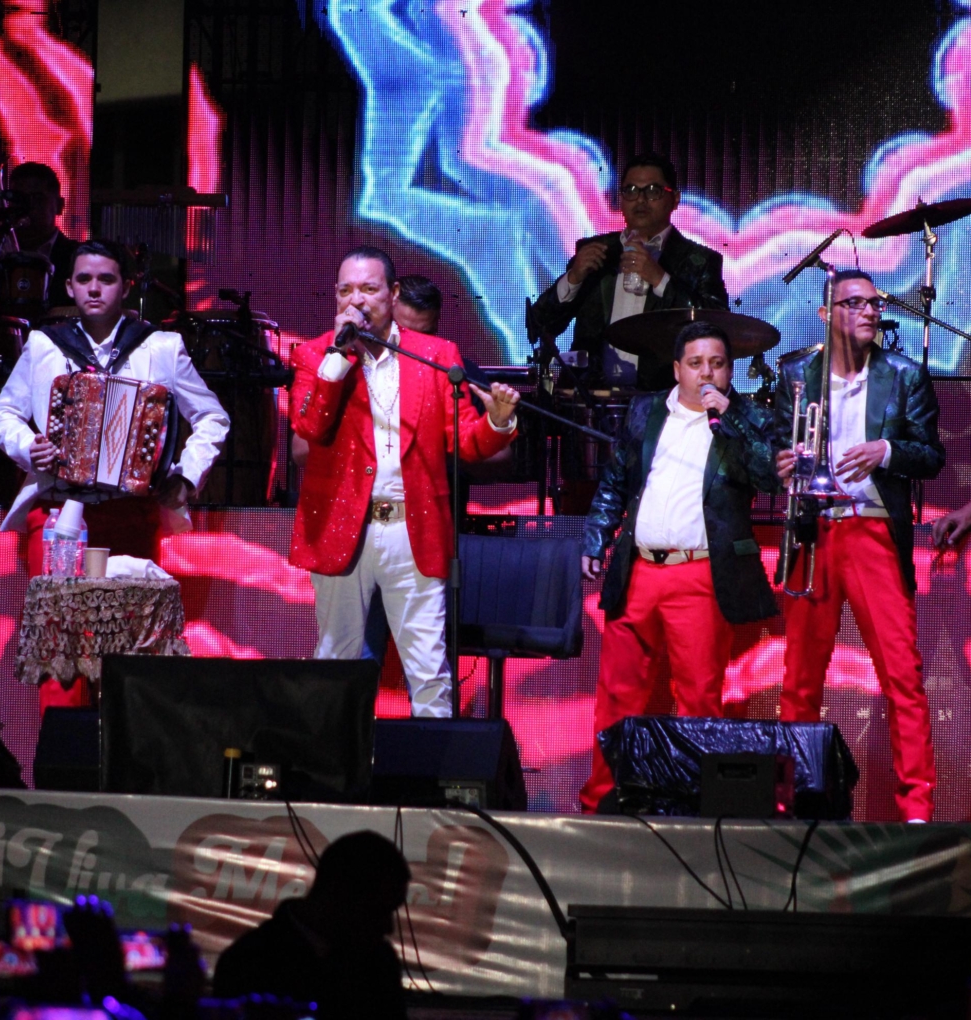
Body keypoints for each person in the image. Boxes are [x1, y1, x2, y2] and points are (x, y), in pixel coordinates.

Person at [0, 239, 229, 712]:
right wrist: (27, 447)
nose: (94, 289)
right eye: (84, 279)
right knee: (60, 649)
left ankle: (120, 752)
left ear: (126, 286)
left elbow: (212, 417)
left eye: (106, 279)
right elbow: (2, 414)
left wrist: (186, 477)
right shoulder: (44, 345)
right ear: (69, 287)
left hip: (129, 513)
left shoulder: (160, 346)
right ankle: (62, 749)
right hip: (57, 513)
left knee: (129, 647)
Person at [290, 247, 519, 717]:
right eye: (346, 291)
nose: (356, 301)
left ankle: (433, 765)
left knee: (429, 670)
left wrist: (497, 422)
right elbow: (309, 426)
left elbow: (464, 442)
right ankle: (334, 761)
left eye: (368, 289)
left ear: (392, 294)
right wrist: (338, 357)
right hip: (342, 526)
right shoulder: (314, 354)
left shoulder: (436, 355)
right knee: (335, 662)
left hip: (412, 528)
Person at [577, 321, 780, 811]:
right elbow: (616, 479)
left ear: (730, 371)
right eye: (695, 363)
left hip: (700, 574)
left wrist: (731, 419)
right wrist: (597, 536)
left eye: (717, 364)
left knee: (698, 699)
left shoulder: (749, 417)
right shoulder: (646, 411)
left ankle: (694, 809)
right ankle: (601, 803)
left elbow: (770, 475)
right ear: (677, 369)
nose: (706, 373)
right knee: (617, 695)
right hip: (639, 569)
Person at [774, 269, 944, 823]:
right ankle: (795, 803)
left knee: (902, 676)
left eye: (875, 303)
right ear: (827, 314)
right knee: (800, 678)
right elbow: (774, 446)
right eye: (856, 303)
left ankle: (916, 811)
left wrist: (886, 451)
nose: (871, 311)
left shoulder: (904, 375)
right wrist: (779, 462)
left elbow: (932, 456)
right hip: (814, 531)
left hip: (872, 529)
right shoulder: (797, 372)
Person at [528, 152, 729, 391]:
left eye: (653, 190)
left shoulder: (700, 260)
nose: (640, 200)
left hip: (662, 398)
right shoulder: (597, 252)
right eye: (631, 191)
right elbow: (538, 325)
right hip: (592, 397)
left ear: (675, 199)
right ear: (621, 200)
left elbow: (718, 329)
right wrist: (574, 278)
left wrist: (660, 279)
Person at [212, 830, 410, 1020]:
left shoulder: (378, 960)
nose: (388, 927)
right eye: (379, 910)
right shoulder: (248, 963)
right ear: (338, 895)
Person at [8, 161, 78, 310]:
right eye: (18, 200)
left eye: (37, 198)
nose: (27, 207)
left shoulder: (78, 258)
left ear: (59, 206)